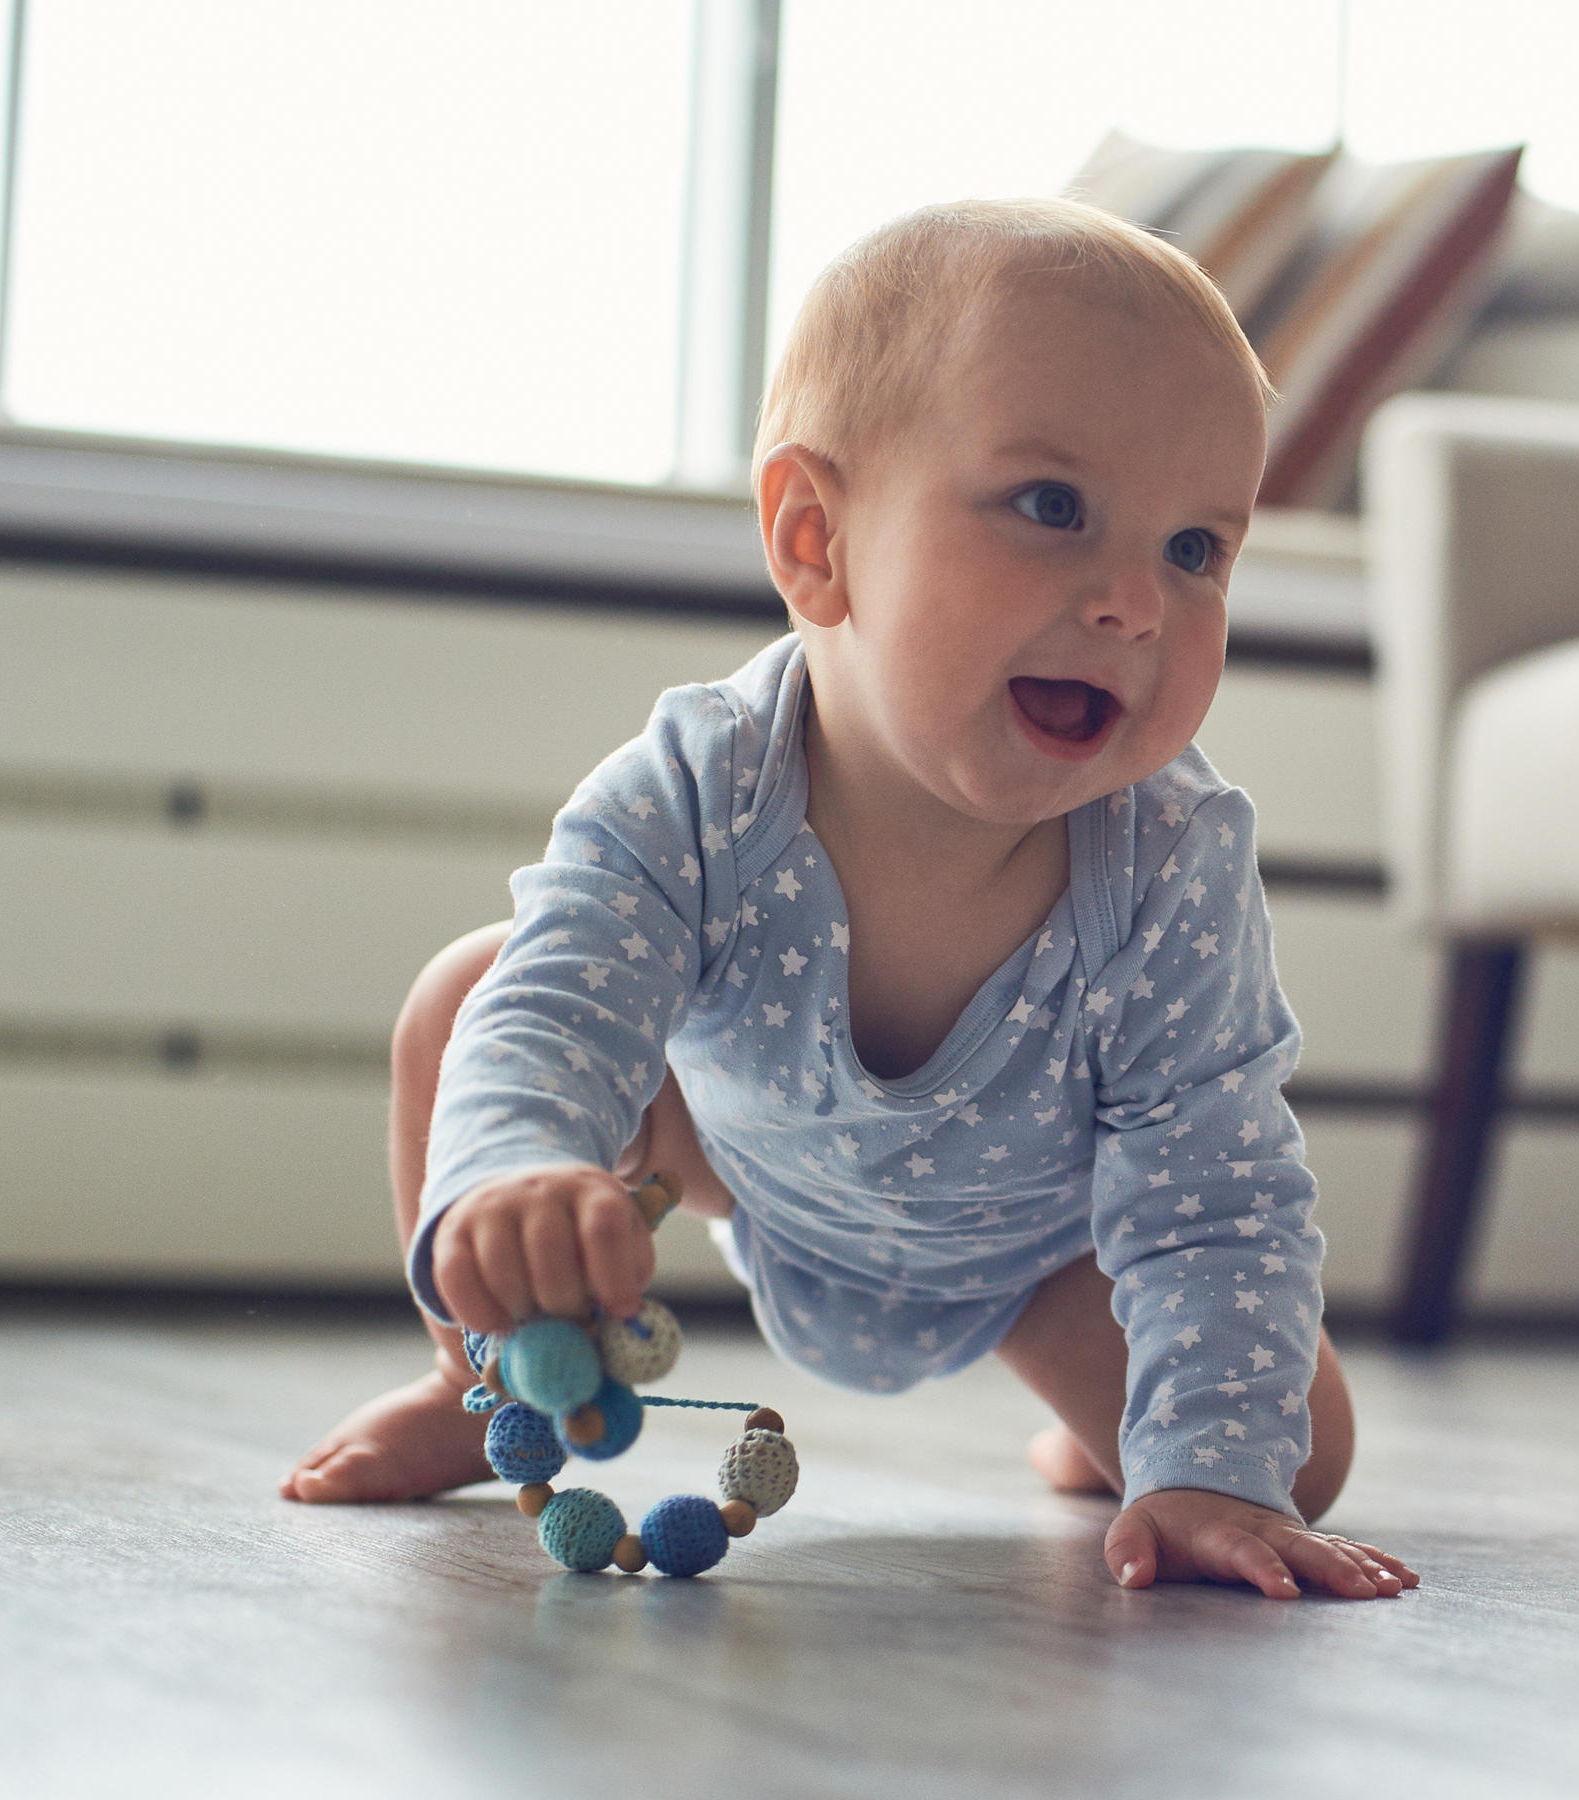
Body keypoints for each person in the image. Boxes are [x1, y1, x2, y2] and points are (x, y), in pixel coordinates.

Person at [280, 198, 1413, 1602]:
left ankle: (1109, 1438)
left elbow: (1217, 1190)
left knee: (1291, 1457)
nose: (1135, 600)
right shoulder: (699, 791)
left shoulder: (1171, 863)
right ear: (815, 538)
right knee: (470, 992)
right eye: (1052, 507)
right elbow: (562, 1000)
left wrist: (1205, 1466)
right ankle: (480, 1384)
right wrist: (520, 1170)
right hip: (729, 1152)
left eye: (1197, 549)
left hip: (1044, 1251)